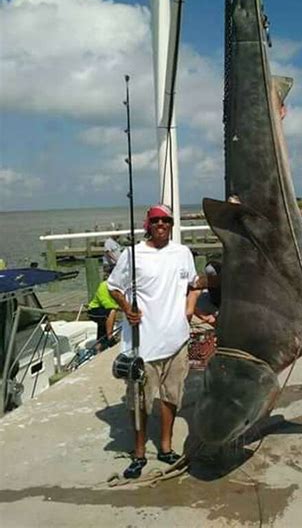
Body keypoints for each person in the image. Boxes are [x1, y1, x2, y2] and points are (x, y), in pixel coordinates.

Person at [107, 204, 200, 479]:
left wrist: (191, 306)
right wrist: (126, 307)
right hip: (143, 347)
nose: (161, 224)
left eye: (166, 220)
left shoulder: (182, 253)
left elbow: (194, 283)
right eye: (156, 220)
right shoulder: (133, 254)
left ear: (171, 224)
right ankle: (138, 454)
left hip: (177, 342)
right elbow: (113, 287)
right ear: (148, 224)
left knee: (172, 398)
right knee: (140, 404)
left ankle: (165, 446)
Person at [87, 276, 119, 349]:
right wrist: (120, 306)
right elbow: (106, 303)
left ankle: (99, 346)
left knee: (103, 326)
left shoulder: (118, 287)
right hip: (94, 310)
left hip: (105, 311)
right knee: (112, 311)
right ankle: (110, 337)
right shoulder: (103, 286)